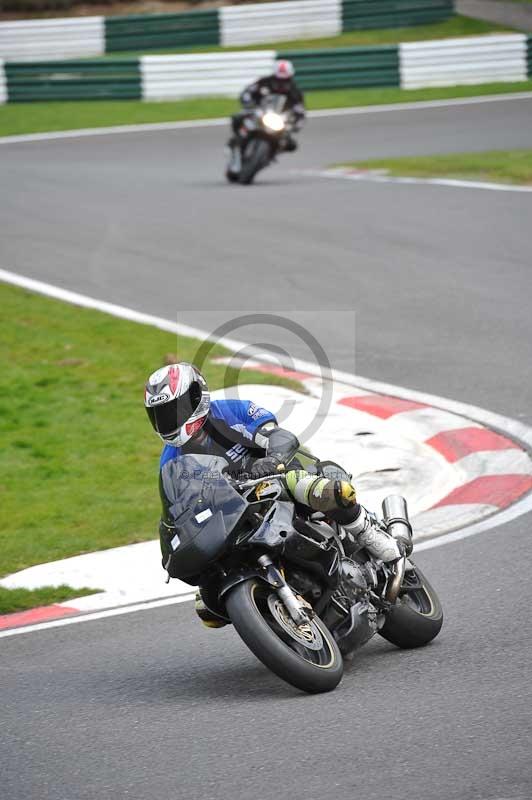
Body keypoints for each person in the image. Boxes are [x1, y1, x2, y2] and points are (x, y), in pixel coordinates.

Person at [144, 363, 411, 626]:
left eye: (174, 410)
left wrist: (272, 459)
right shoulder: (171, 459)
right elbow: (182, 502)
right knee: (205, 606)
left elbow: (279, 435)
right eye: (160, 414)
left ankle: (369, 534)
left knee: (317, 488)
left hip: (277, 478)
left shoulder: (228, 412)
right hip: (235, 507)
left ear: (196, 397)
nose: (168, 420)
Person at [229, 59, 305, 157]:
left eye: (285, 80)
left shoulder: (295, 91)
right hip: (260, 111)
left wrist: (296, 124)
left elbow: (300, 110)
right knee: (238, 118)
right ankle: (235, 142)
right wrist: (248, 102)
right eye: (279, 80)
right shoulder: (264, 82)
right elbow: (247, 92)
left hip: (280, 118)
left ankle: (271, 155)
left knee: (291, 145)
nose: (281, 83)